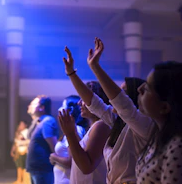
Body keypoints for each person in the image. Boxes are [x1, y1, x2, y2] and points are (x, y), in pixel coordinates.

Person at [87, 37, 182, 184]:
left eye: (146, 88)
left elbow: (122, 104)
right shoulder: (161, 140)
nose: (139, 89)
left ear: (165, 107)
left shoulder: (178, 149)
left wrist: (95, 68)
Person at [62, 46, 152, 184]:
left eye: (123, 93)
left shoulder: (143, 125)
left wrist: (96, 67)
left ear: (132, 99)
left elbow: (122, 104)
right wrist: (71, 73)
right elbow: (94, 103)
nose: (113, 97)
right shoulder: (118, 122)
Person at [58, 81, 111, 184]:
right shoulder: (94, 126)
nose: (79, 103)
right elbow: (79, 154)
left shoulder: (101, 125)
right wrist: (72, 131)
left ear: (97, 101)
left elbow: (86, 167)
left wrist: (70, 134)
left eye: (83, 98)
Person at [49, 95, 87, 184]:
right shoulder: (72, 129)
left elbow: (72, 161)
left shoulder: (75, 130)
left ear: (71, 110)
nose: (60, 108)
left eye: (63, 105)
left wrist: (54, 157)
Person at [26, 95, 59, 184]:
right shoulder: (38, 121)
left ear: (42, 107)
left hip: (43, 169)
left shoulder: (47, 121)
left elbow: (53, 145)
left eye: (34, 103)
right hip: (37, 169)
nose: (30, 105)